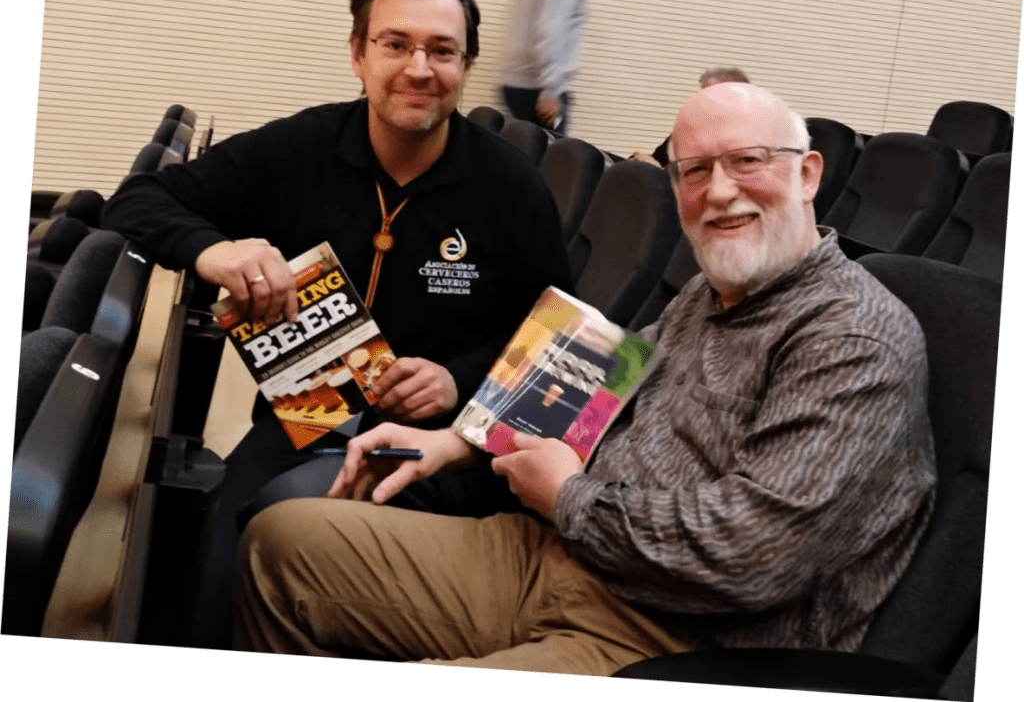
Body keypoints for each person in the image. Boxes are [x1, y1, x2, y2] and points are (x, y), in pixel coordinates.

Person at [235, 83, 937, 676]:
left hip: (676, 642)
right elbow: (590, 381)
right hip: (562, 557)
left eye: (747, 162)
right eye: (693, 171)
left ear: (807, 175)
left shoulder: (853, 339)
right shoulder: (711, 292)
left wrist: (569, 498)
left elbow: (750, 556)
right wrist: (455, 441)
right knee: (282, 545)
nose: (719, 192)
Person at [101, 0, 573, 649]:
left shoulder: (512, 188)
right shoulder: (301, 149)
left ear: (466, 66)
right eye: (395, 44)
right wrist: (213, 251)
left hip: (441, 452)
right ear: (358, 53)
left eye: (442, 51)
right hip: (305, 416)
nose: (419, 68)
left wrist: (458, 378)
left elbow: (561, 346)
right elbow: (136, 200)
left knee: (279, 530)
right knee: (212, 569)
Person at [500, 0, 601, 135]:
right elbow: (552, 27)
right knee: (553, 154)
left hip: (523, 83)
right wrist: (551, 90)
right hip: (537, 90)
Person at [633, 67, 751, 166]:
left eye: (709, 96)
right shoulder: (686, 130)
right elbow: (658, 159)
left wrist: (656, 171)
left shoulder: (744, 142)